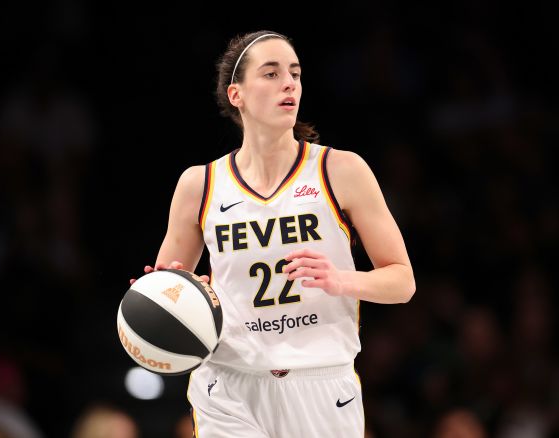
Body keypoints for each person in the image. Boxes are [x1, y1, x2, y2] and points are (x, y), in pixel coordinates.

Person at [129, 30, 416, 437]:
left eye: (295, 74)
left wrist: (341, 280)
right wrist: (160, 290)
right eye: (271, 73)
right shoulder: (200, 184)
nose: (289, 84)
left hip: (321, 382)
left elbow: (402, 281)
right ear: (236, 94)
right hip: (228, 381)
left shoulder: (340, 170)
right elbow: (170, 283)